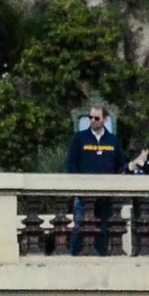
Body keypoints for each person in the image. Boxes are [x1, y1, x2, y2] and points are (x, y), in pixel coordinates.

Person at [65, 103, 122, 255]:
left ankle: (100, 256)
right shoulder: (79, 138)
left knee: (102, 228)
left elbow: (120, 166)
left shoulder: (113, 141)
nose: (93, 121)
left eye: (97, 118)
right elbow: (71, 163)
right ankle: (75, 257)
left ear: (105, 119)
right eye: (91, 117)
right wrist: (78, 183)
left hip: (105, 195)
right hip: (83, 194)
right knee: (79, 227)